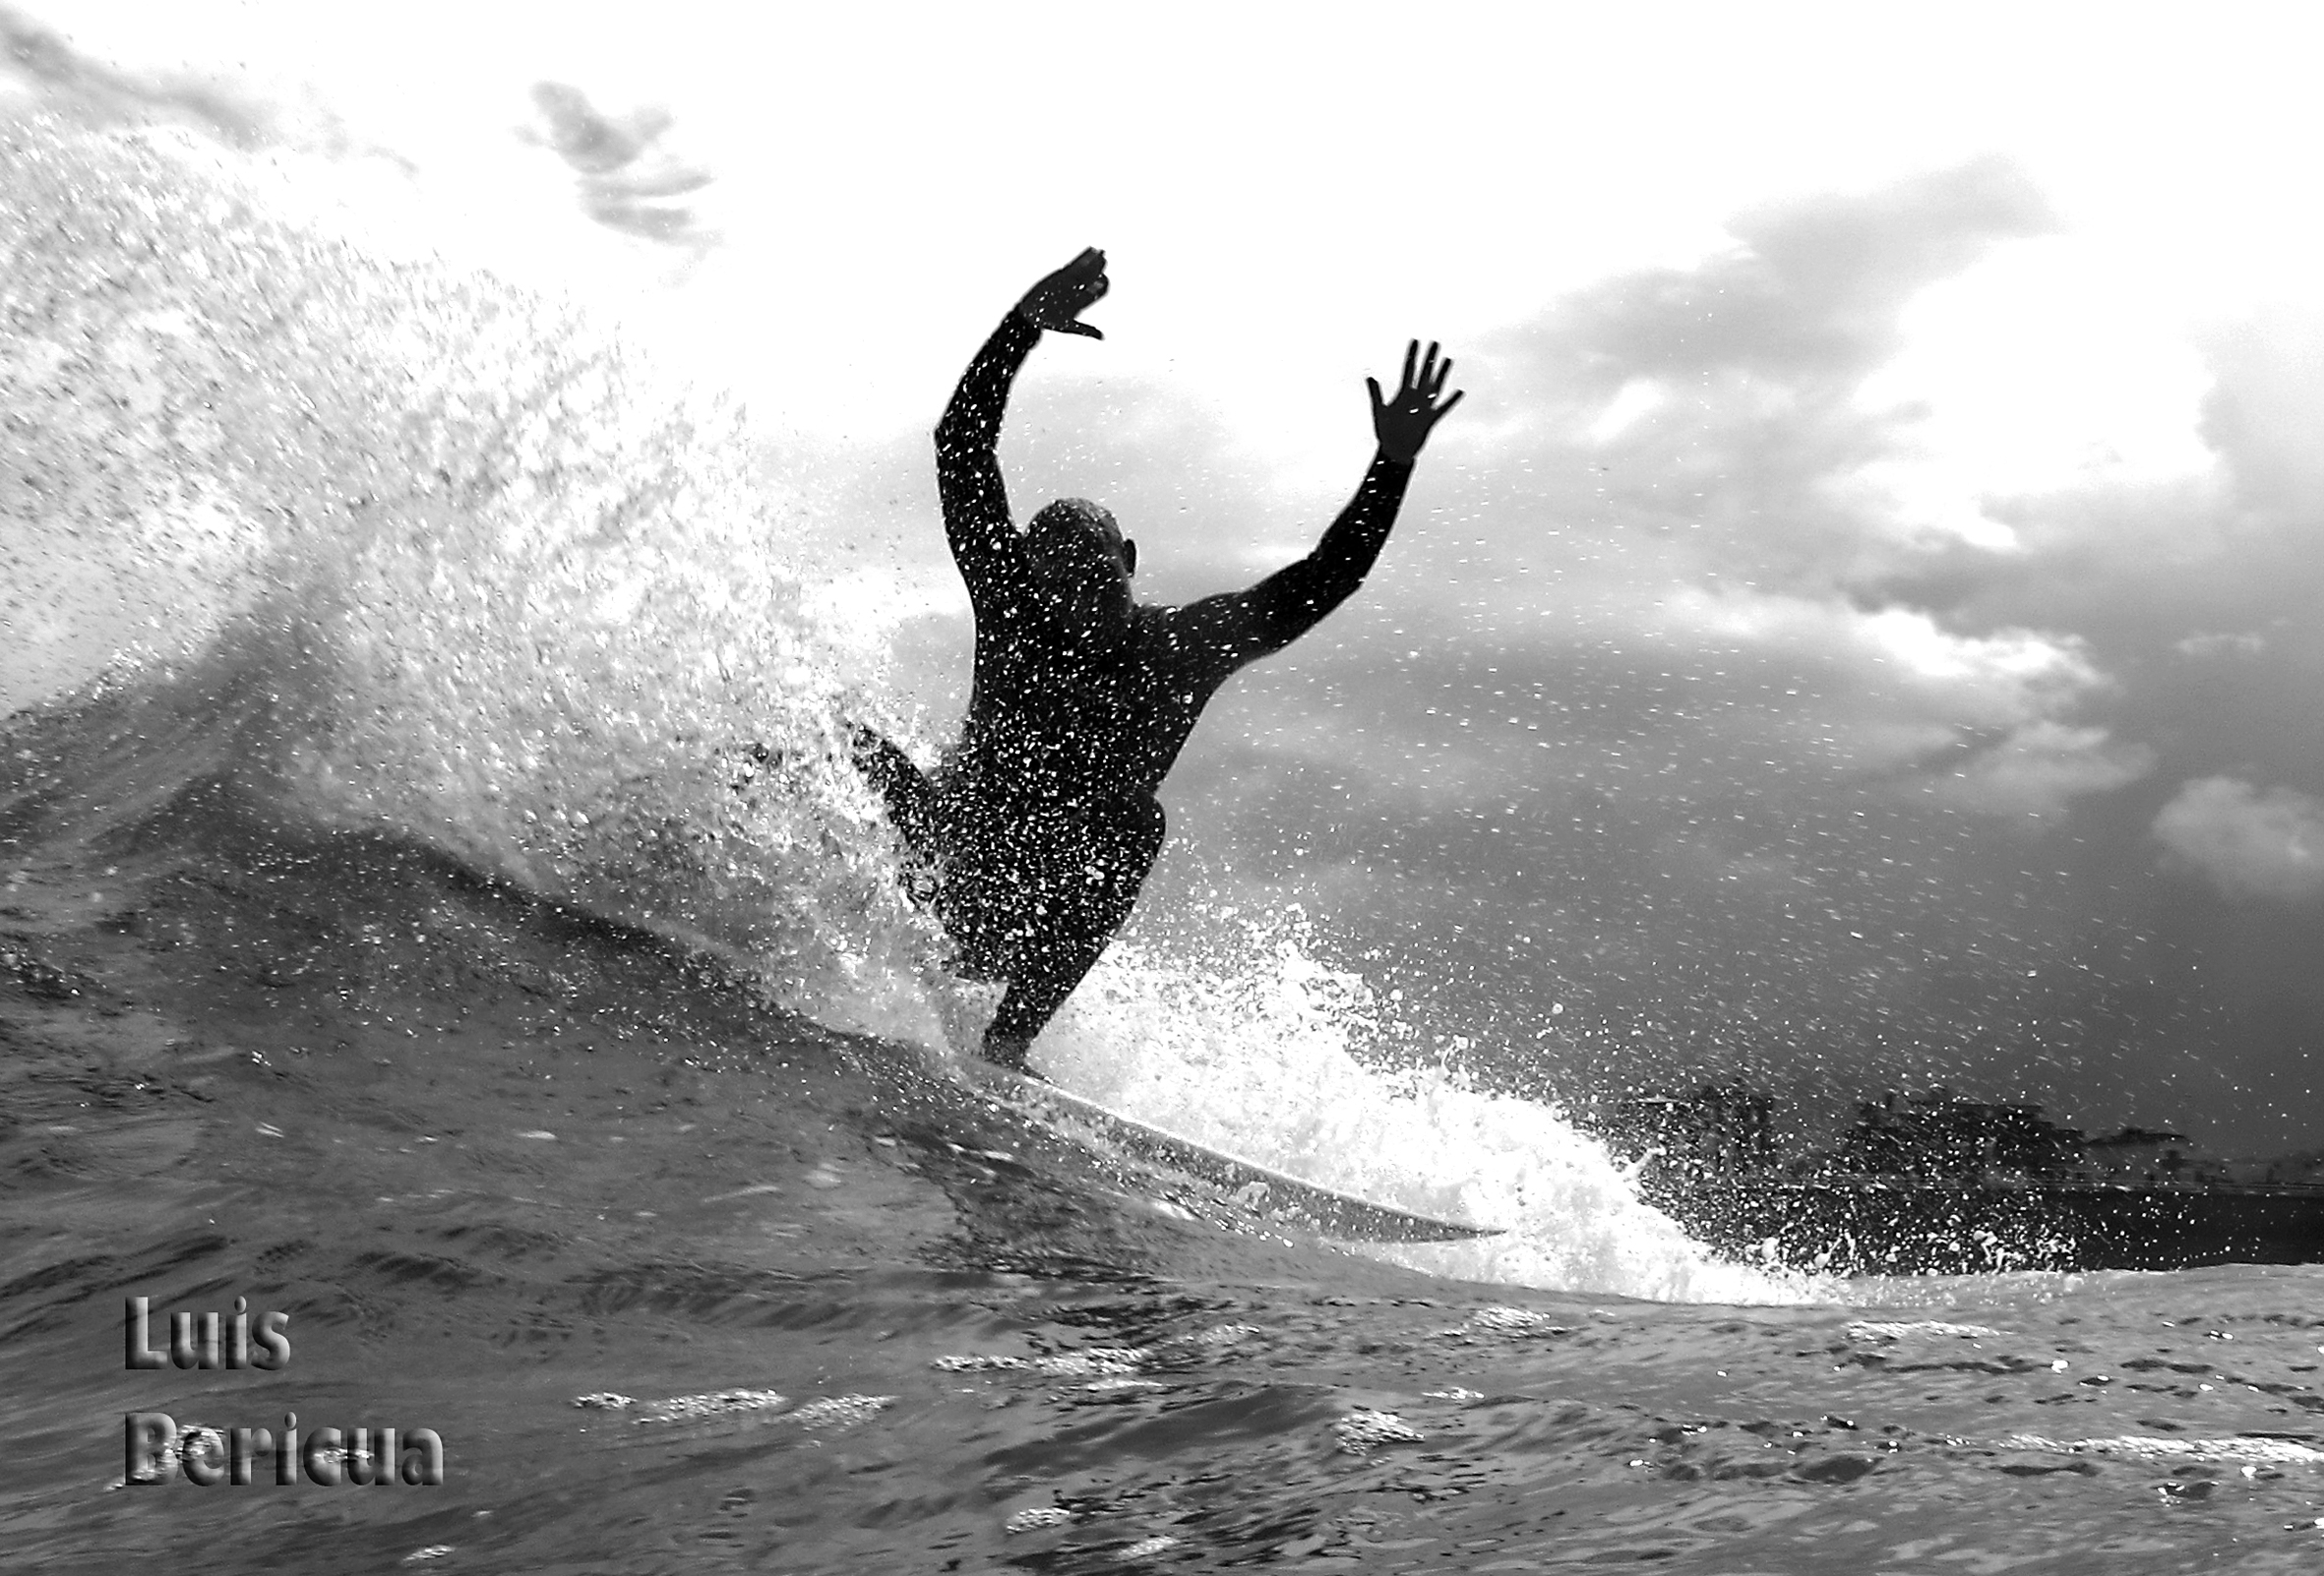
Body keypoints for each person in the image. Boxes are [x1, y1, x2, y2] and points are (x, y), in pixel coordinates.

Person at [852, 248, 1460, 1070]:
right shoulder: (1011, 608)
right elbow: (962, 447)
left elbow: (1321, 583)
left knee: (1137, 822)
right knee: (843, 743)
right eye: (1058, 582)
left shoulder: (1181, 648)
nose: (1081, 598)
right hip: (937, 861)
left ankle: (1009, 1041)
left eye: (1098, 576)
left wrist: (1393, 464)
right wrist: (1022, 327)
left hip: (1027, 914)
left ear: (1130, 559)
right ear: (1027, 577)